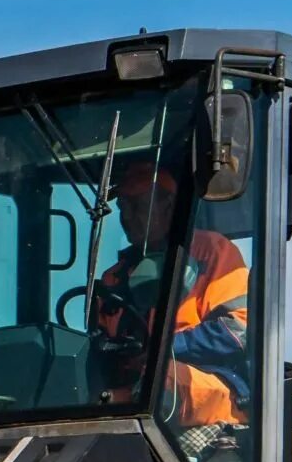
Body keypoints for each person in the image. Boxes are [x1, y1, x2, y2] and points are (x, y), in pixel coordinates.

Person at [89, 156, 251, 429]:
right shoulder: (113, 277)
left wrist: (164, 350)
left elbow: (238, 331)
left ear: (168, 205)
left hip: (208, 380)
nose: (127, 216)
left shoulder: (212, 252)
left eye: (137, 206)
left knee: (157, 384)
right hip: (136, 386)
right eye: (123, 207)